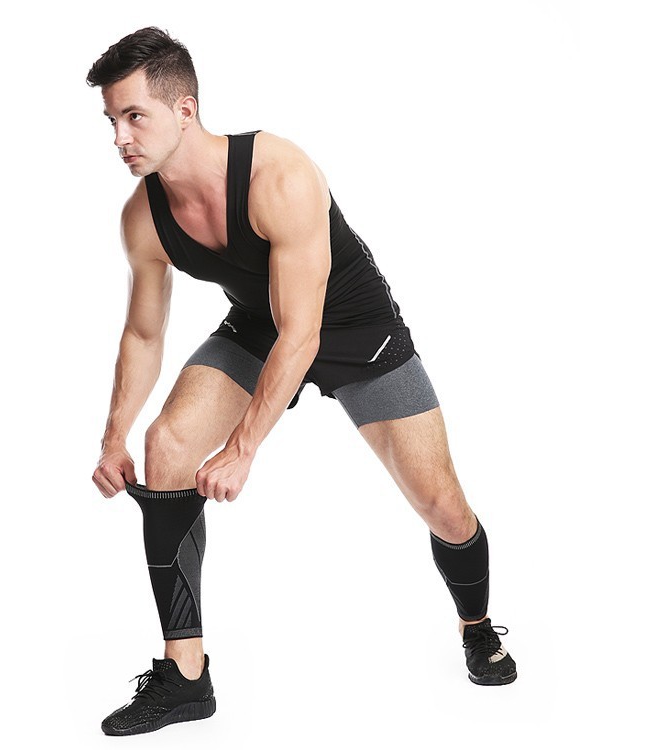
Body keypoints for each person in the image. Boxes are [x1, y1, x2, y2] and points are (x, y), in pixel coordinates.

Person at [87, 26, 517, 737]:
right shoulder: (144, 217)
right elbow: (143, 334)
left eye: (134, 116)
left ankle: (477, 627)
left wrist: (243, 448)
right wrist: (113, 437)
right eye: (111, 120)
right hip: (259, 325)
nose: (119, 137)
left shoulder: (277, 174)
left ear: (185, 110)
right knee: (167, 446)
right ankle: (186, 675)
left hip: (354, 329)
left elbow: (305, 334)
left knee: (443, 506)